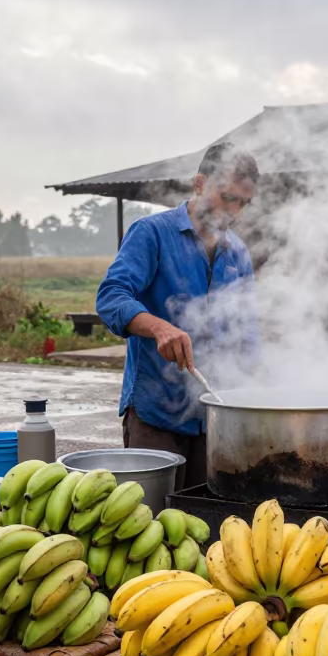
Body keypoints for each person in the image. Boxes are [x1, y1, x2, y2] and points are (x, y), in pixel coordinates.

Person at [96, 142, 260, 490]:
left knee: (207, 527)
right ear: (200, 184)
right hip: (157, 417)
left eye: (243, 203)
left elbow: (247, 336)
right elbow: (111, 297)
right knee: (151, 527)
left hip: (215, 421)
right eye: (228, 197)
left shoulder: (239, 254)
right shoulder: (151, 234)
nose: (234, 211)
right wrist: (157, 326)